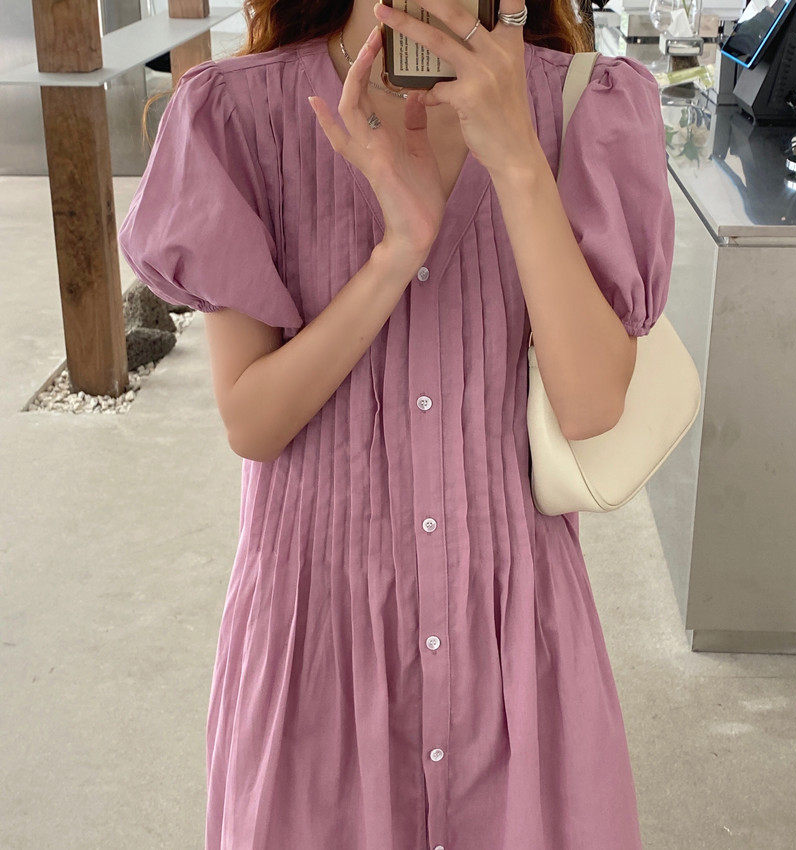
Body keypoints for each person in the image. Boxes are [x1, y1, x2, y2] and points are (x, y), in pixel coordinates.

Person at [117, 0, 675, 846]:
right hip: (315, 643)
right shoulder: (237, 117)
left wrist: (518, 161)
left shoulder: (588, 107)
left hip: (517, 645)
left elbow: (592, 404)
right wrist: (396, 253)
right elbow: (253, 423)